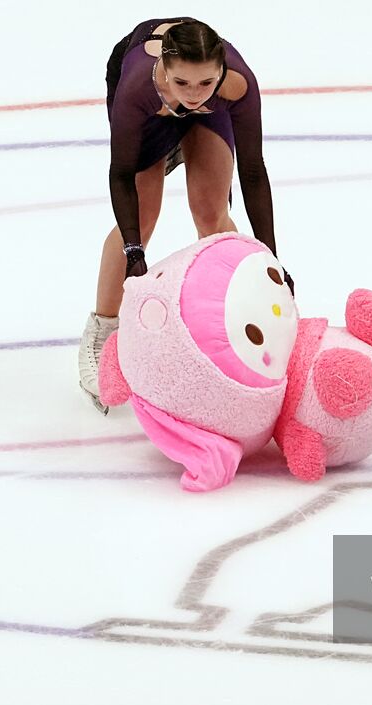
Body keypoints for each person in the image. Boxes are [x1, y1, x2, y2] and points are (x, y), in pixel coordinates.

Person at [78, 17, 286, 413]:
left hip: (206, 108)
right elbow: (120, 174)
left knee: (211, 212)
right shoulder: (138, 86)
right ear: (165, 72)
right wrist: (136, 251)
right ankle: (102, 331)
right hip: (151, 106)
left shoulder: (236, 84)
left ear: (222, 71)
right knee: (143, 215)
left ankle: (246, 311)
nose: (193, 94)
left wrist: (270, 258)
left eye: (205, 83)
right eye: (183, 83)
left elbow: (253, 172)